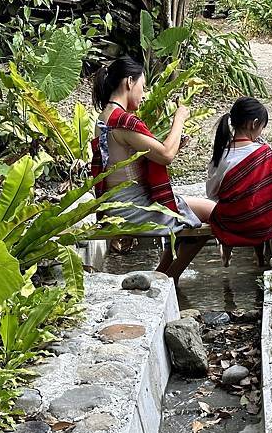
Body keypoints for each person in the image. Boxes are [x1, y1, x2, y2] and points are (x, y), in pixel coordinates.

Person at [91, 55, 215, 281]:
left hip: (117, 205)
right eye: (142, 86)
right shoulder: (122, 121)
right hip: (134, 209)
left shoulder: (104, 118)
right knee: (213, 214)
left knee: (199, 216)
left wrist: (175, 141)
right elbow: (166, 155)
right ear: (129, 82)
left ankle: (163, 277)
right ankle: (168, 277)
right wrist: (179, 118)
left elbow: (137, 156)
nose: (144, 93)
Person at [206, 96, 272, 267]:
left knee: (232, 206)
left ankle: (226, 250)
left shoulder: (221, 154)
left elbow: (211, 192)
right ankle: (260, 258)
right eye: (262, 127)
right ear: (254, 124)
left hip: (229, 223)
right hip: (261, 223)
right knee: (261, 202)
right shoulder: (264, 152)